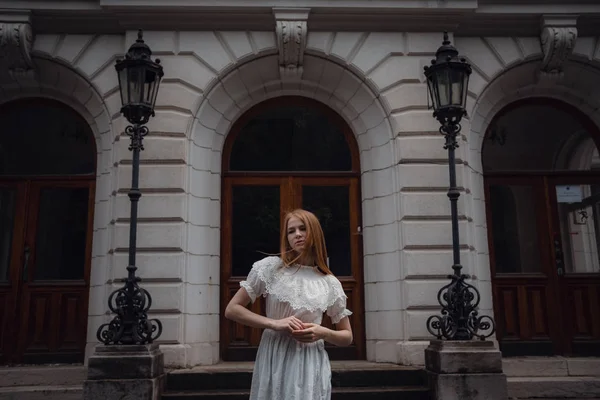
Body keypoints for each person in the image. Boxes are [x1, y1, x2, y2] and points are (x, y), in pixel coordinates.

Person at [225, 209, 353, 400]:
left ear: (315, 233)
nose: (297, 235)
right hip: (275, 354)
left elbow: (347, 336)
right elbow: (232, 309)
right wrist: (274, 323)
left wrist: (322, 332)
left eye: (303, 229)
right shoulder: (271, 268)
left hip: (309, 361)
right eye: (291, 231)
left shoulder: (329, 283)